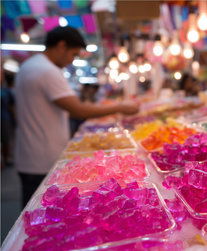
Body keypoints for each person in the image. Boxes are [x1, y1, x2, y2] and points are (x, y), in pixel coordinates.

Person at [14, 26, 139, 207]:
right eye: (73, 54)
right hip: (42, 158)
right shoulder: (47, 70)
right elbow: (78, 110)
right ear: (61, 46)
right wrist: (121, 107)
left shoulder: (31, 65)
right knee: (42, 214)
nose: (71, 61)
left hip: (31, 154)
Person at [1, 68, 16, 167]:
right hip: (5, 118)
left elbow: (12, 106)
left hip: (5, 119)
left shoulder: (6, 91)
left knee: (6, 140)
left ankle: (5, 159)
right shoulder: (6, 90)